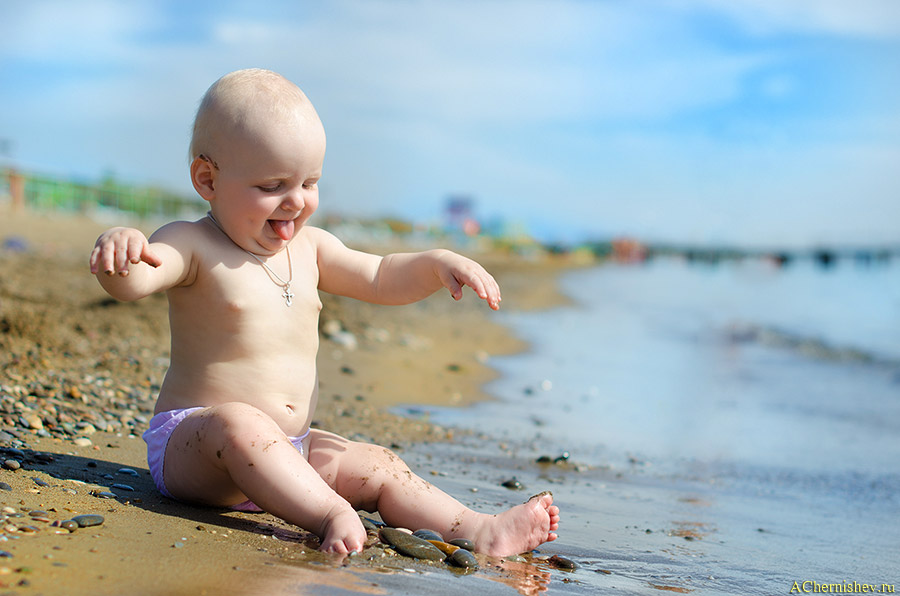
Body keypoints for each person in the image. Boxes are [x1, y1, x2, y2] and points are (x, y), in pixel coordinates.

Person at [89, 68, 559, 556]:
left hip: (291, 450)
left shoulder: (311, 249)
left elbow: (379, 275)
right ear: (208, 178)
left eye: (310, 182)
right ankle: (329, 511)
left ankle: (478, 529)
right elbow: (139, 278)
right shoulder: (192, 243)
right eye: (273, 185)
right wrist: (121, 255)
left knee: (377, 463)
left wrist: (435, 263)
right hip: (198, 445)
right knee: (240, 423)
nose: (296, 201)